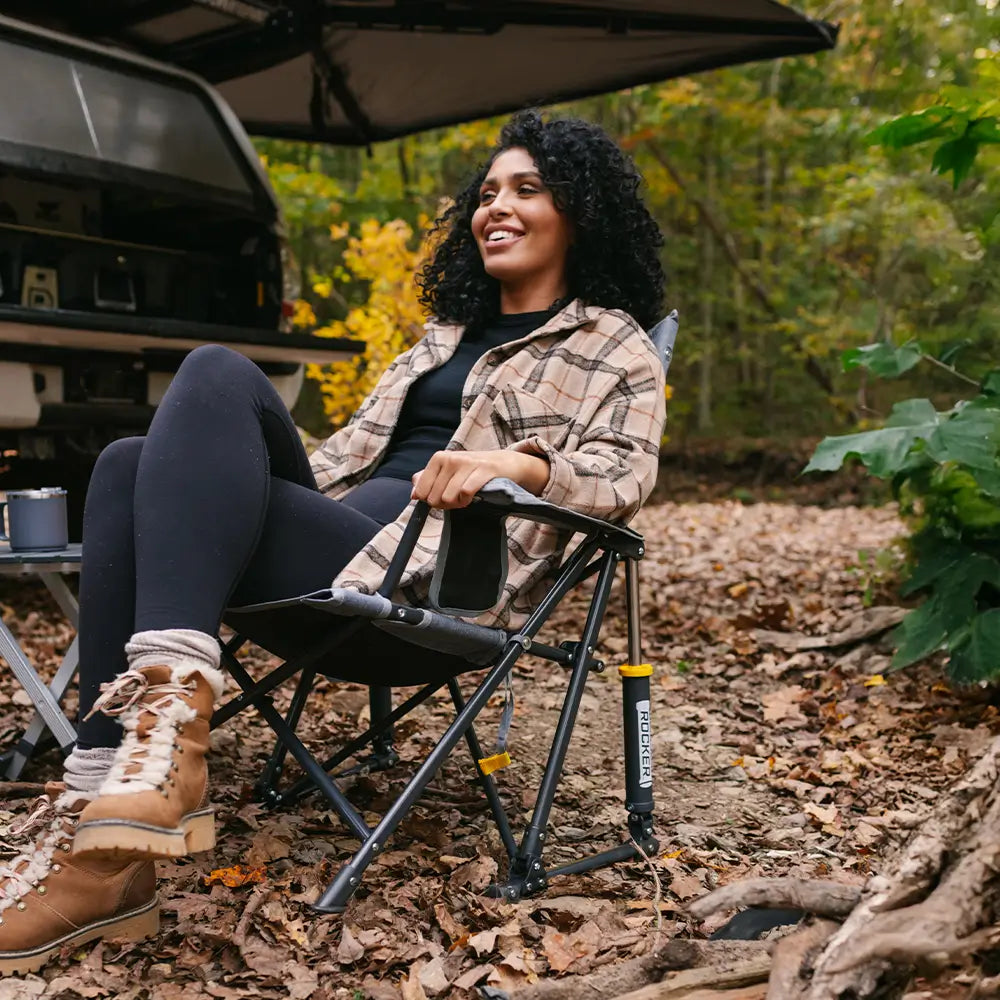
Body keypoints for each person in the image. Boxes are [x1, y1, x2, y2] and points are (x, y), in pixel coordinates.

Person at [0, 109, 666, 975]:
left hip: (429, 579)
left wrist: (518, 463)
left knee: (209, 371)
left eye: (527, 190)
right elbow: (333, 464)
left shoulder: (614, 345)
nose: (496, 206)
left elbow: (624, 479)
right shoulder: (436, 341)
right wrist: (216, 491)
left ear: (581, 213)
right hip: (340, 537)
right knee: (131, 461)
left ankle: (149, 762)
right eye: (488, 192)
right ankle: (112, 808)